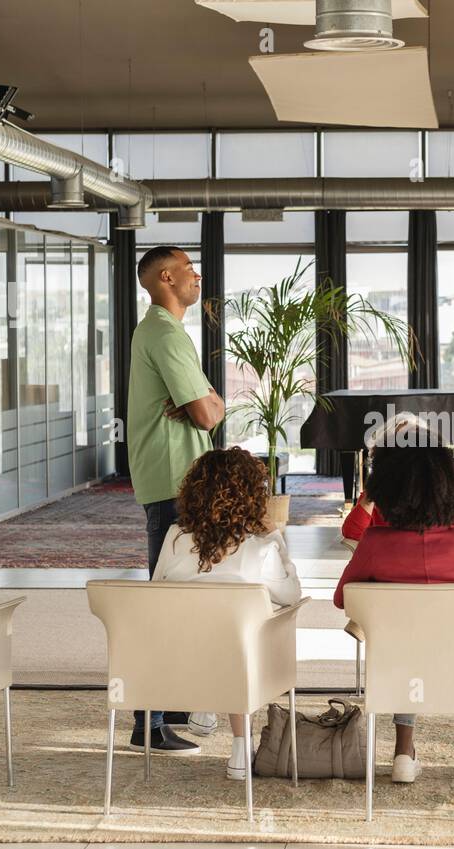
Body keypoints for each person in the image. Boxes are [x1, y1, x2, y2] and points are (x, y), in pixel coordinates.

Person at [333, 443, 454, 785]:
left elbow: (342, 599)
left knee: (406, 648)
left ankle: (402, 754)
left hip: (404, 665)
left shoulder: (375, 543)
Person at [127, 245, 227, 755]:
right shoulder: (164, 334)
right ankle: (149, 721)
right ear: (166, 277)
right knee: (166, 602)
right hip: (172, 483)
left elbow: (210, 405)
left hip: (177, 480)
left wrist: (207, 402)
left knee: (177, 597)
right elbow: (209, 415)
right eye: (190, 268)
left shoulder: (165, 333)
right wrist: (206, 402)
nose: (197, 276)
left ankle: (170, 710)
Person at [153, 448, 302, 781]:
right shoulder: (259, 549)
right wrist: (276, 536)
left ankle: (205, 699)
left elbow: (157, 589)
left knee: (210, 621)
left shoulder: (174, 538)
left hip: (181, 657)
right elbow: (293, 594)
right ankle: (239, 747)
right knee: (248, 625)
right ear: (252, 496)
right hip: (243, 663)